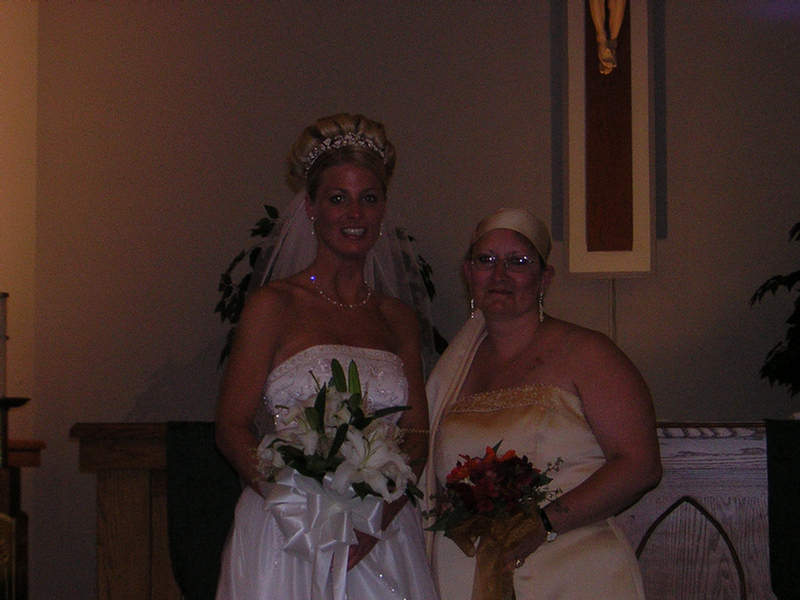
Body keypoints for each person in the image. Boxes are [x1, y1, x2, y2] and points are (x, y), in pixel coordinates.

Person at [215, 113, 439, 600]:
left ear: (383, 210)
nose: (354, 213)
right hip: (287, 531)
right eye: (338, 198)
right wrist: (301, 510)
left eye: (369, 198)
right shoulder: (274, 305)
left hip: (380, 533)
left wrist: (376, 517)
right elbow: (231, 427)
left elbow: (417, 433)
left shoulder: (397, 317)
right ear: (311, 207)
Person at [425, 207, 662, 599]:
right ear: (468, 273)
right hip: (466, 574)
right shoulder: (452, 371)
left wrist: (543, 523)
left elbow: (640, 466)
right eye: (486, 260)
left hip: (571, 568)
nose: (499, 275)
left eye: (518, 261)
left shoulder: (588, 352)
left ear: (544, 278)